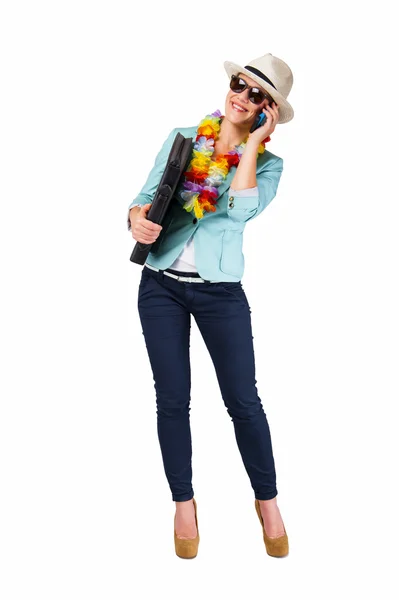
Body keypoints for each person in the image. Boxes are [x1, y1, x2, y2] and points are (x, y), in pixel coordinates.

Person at [127, 52, 294, 559]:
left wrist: (252, 146)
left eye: (256, 95)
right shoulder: (183, 138)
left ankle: (266, 501)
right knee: (172, 399)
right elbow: (142, 197)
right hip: (161, 285)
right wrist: (135, 218)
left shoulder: (268, 163)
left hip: (220, 292)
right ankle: (183, 502)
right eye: (239, 85)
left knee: (243, 400)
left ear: (269, 110)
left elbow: (242, 210)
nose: (241, 96)